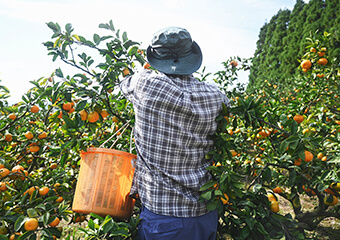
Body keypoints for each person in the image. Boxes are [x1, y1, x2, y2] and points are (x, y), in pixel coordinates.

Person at [120, 26, 230, 240]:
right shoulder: (217, 96)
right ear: (191, 57)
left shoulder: (145, 83)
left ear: (155, 58)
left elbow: (123, 84)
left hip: (163, 219)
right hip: (205, 214)